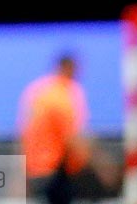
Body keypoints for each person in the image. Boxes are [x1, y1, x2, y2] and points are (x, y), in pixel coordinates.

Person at [19, 53, 93, 204]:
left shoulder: (37, 92)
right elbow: (71, 137)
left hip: (35, 169)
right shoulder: (63, 95)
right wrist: (94, 166)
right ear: (69, 68)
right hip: (55, 169)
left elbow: (24, 133)